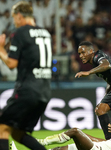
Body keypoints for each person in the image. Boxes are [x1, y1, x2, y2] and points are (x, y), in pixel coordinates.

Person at [0, 1, 52, 150]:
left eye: (14, 17)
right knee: (17, 133)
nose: (14, 21)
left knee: (2, 128)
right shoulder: (45, 33)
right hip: (44, 91)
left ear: (20, 16)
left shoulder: (21, 32)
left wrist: (1, 50)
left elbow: (11, 64)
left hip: (27, 90)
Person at [10, 112, 111, 150]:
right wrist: (87, 136)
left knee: (74, 131)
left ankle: (40, 142)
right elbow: (108, 143)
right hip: (97, 146)